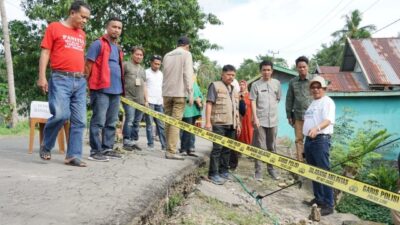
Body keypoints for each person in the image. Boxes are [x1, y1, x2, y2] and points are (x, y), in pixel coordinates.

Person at [37, 1, 90, 167]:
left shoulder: (82, 34)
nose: (85, 21)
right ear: (72, 12)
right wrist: (42, 77)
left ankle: (72, 155)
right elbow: (45, 52)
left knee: (80, 120)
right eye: (83, 17)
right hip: (60, 78)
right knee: (61, 115)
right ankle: (46, 145)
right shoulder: (54, 27)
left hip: (80, 81)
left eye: (87, 18)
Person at [85, 17, 124, 162]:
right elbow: (88, 65)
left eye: (119, 28)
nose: (116, 30)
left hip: (116, 90)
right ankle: (95, 151)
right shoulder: (98, 44)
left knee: (111, 122)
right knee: (98, 121)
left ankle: (107, 148)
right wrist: (86, 84)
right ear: (107, 27)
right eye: (114, 27)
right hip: (100, 89)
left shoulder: (118, 48)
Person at [302, 76, 335, 216]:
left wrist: (316, 129)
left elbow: (328, 120)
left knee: (324, 171)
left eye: (318, 87)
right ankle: (319, 198)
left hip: (320, 140)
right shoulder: (313, 103)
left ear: (324, 89)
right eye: (313, 87)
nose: (315, 89)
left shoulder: (327, 102)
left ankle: (329, 203)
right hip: (309, 140)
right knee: (313, 170)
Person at [205, 65, 241, 185]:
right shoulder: (215, 85)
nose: (231, 77)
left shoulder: (234, 89)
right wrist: (208, 122)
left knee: (227, 149)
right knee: (217, 149)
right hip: (219, 123)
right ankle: (213, 174)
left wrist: (238, 124)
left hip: (232, 124)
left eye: (233, 75)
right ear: (222, 74)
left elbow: (236, 109)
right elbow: (209, 103)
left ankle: (224, 171)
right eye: (229, 74)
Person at [162, 36, 194, 160]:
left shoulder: (167, 55)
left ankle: (168, 148)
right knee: (175, 122)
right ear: (187, 45)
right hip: (179, 92)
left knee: (168, 121)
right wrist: (190, 92)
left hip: (166, 92)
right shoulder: (186, 54)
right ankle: (171, 151)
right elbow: (187, 74)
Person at [250, 60, 281, 181]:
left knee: (272, 146)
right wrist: (255, 117)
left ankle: (272, 170)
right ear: (260, 71)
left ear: (272, 71)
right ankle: (258, 172)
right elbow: (252, 101)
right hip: (260, 121)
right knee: (259, 147)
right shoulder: (255, 85)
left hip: (273, 120)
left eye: (268, 70)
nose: (266, 72)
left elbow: (278, 98)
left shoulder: (277, 83)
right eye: (264, 70)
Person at [286, 56, 313, 162]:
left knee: (312, 139)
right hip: (298, 116)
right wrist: (289, 115)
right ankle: (300, 162)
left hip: (312, 116)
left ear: (308, 67)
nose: (302, 69)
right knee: (299, 140)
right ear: (296, 68)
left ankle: (311, 161)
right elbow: (289, 98)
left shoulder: (314, 80)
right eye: (299, 67)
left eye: (304, 67)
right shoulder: (293, 82)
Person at [122, 46, 147, 151]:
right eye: (137, 54)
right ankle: (126, 141)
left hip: (140, 100)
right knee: (130, 120)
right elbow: (120, 79)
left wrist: (146, 100)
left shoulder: (142, 69)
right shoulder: (125, 65)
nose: (139, 56)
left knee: (137, 122)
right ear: (132, 54)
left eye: (141, 55)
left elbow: (145, 85)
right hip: (129, 98)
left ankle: (133, 141)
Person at [144, 55, 167, 151]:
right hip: (149, 102)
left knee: (161, 125)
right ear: (151, 62)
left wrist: (163, 101)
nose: (157, 66)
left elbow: (163, 88)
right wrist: (146, 100)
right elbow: (144, 87)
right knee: (149, 124)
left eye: (159, 64)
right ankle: (150, 144)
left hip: (159, 102)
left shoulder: (161, 74)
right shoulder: (146, 72)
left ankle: (164, 145)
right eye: (155, 63)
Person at [230, 80, 253, 170]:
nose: (242, 86)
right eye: (240, 84)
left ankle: (248, 151)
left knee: (248, 134)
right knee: (239, 134)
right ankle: (238, 151)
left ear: (246, 86)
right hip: (239, 118)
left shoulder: (250, 95)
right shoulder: (236, 94)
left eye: (243, 84)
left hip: (248, 118)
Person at [180, 75, 203, 156]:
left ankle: (190, 148)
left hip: (195, 111)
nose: (193, 76)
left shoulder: (195, 84)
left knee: (192, 130)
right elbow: (182, 96)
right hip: (187, 110)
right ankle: (183, 149)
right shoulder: (183, 83)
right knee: (186, 130)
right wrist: (194, 99)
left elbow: (200, 95)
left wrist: (200, 99)